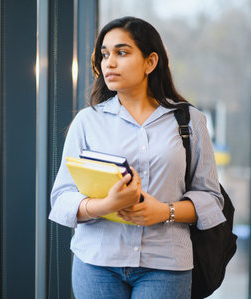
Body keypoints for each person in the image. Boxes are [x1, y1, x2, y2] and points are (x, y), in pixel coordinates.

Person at [48, 16, 226, 299]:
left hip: (166, 265)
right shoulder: (87, 121)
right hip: (96, 263)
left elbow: (211, 199)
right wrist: (106, 205)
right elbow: (62, 197)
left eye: (122, 52)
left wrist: (163, 212)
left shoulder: (190, 120)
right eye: (104, 54)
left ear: (150, 62)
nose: (110, 62)